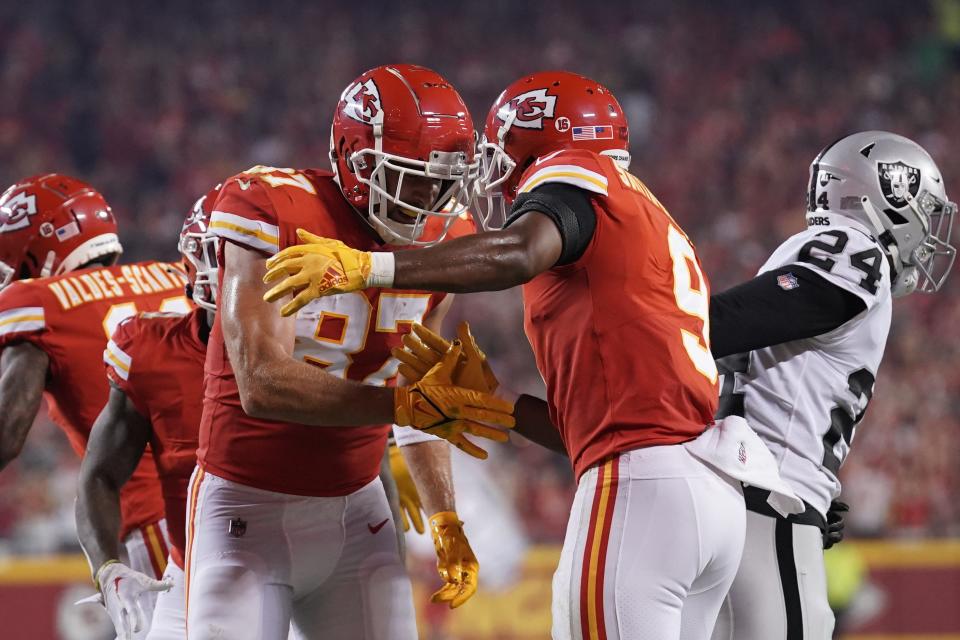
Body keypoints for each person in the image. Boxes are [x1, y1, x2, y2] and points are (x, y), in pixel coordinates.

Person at [261, 71, 792, 640]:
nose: (493, 172)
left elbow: (519, 252)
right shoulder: (643, 217)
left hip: (642, 486)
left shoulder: (580, 176)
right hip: (702, 488)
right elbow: (587, 431)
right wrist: (499, 403)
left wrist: (369, 267)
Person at [186, 64, 513, 639]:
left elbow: (422, 394)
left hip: (357, 514)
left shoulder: (444, 240)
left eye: (443, 183)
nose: (430, 199)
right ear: (357, 160)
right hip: (246, 508)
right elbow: (261, 383)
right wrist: (402, 408)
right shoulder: (273, 207)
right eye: (413, 179)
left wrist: (444, 517)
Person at [705, 131, 955, 640]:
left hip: (744, 495)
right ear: (888, 193)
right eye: (925, 210)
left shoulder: (812, 251)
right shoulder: (854, 247)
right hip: (769, 501)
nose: (928, 233)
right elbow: (720, 323)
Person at [0, 174, 190, 638]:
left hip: (158, 529)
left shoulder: (37, 301)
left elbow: (6, 434)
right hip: (242, 497)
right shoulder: (177, 274)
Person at [75, 185, 222, 640]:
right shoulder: (150, 350)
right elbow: (98, 475)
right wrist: (108, 567)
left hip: (303, 559)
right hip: (188, 563)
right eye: (221, 255)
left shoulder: (317, 340)